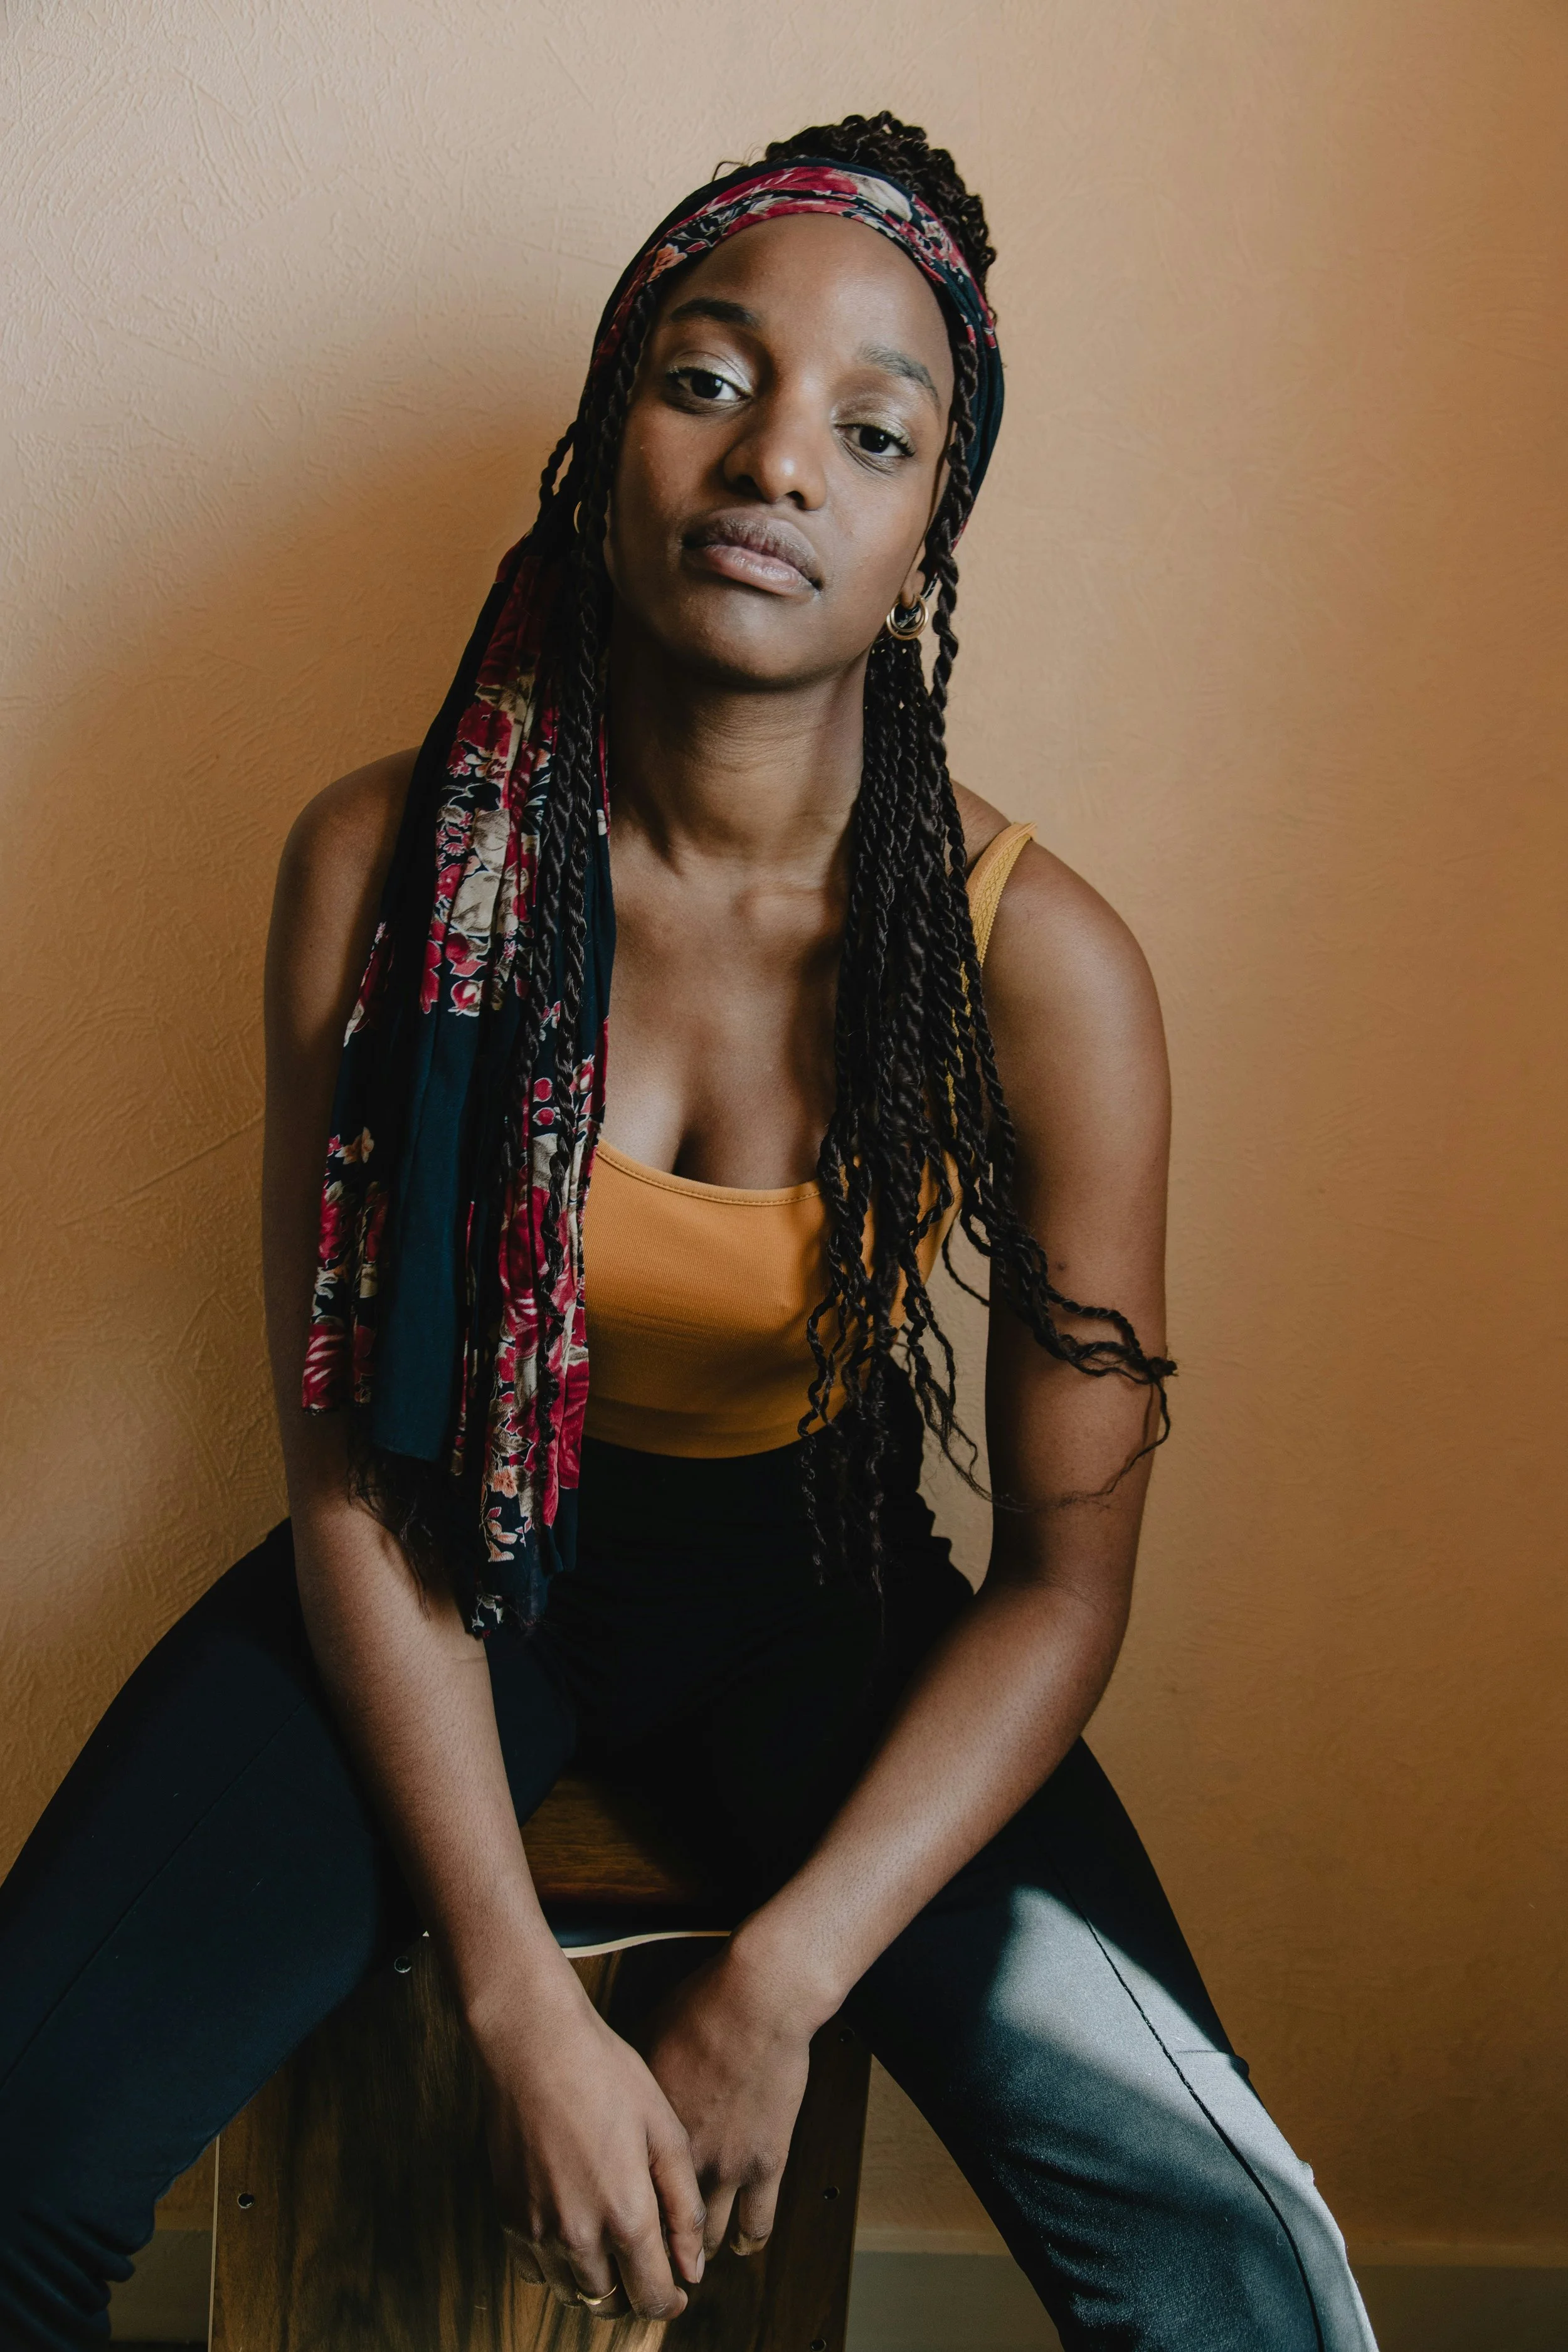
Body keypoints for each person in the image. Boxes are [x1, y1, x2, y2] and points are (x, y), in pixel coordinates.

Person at [0, 113, 1377, 2350]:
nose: (774, 468)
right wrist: (526, 2005)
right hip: (441, 1544)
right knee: (16, 2153)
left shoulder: (1043, 972)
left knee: (1232, 2273)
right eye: (706, 379)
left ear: (933, 515)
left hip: (809, 1594)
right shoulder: (378, 870)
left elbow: (1061, 1579)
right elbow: (350, 1465)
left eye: (872, 427)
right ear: (605, 436)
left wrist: (787, 1971)